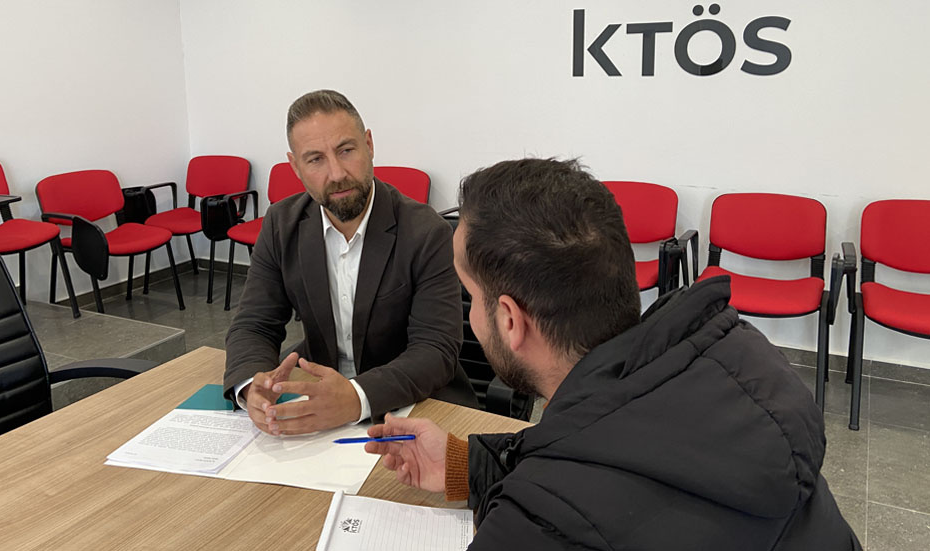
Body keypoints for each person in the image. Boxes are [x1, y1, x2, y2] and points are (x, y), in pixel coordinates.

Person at [366, 158, 861, 550]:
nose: (470, 313)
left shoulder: (534, 528)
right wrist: (464, 464)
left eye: (471, 295)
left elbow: (580, 499)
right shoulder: (732, 363)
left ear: (511, 320)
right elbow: (610, 462)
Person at [224, 89, 476, 436]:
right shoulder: (281, 224)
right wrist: (251, 386)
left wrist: (356, 398)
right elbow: (255, 324)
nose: (337, 173)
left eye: (346, 150)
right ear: (296, 167)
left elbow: (435, 349)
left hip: (415, 404)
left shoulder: (425, 231)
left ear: (369, 145)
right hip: (320, 403)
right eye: (315, 159)